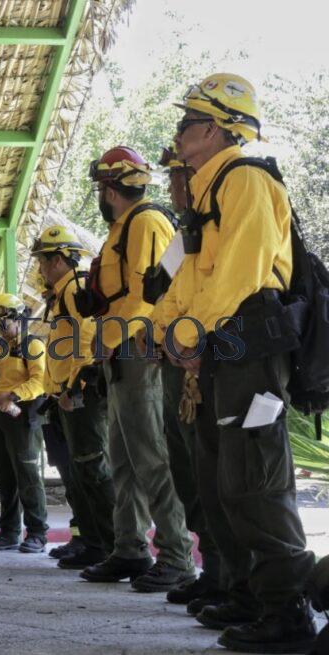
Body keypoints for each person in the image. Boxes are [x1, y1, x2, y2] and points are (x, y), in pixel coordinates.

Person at [161, 73, 315, 653]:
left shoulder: (245, 178)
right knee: (224, 479)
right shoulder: (208, 192)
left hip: (249, 343)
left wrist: (191, 331)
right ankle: (251, 594)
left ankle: (289, 611)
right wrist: (168, 327)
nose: (179, 132)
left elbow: (242, 273)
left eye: (187, 122)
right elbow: (190, 276)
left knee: (255, 482)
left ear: (214, 129)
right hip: (224, 347)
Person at [78, 146, 195, 594]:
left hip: (138, 350)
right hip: (120, 351)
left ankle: (176, 555)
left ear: (110, 190)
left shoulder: (144, 223)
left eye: (100, 189)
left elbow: (148, 297)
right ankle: (129, 547)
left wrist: (109, 340)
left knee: (151, 457)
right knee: (124, 460)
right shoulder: (123, 229)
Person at [150, 146, 225, 611]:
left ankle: (229, 575)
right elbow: (166, 294)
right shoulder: (185, 235)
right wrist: (163, 335)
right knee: (189, 470)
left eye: (178, 176)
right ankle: (213, 569)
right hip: (178, 360)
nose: (174, 187)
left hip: (208, 359)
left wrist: (188, 339)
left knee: (213, 470)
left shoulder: (221, 221)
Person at [32, 226, 117, 570]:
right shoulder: (62, 294)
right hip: (65, 396)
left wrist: (74, 386)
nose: (39, 269)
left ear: (57, 261)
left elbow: (86, 341)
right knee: (81, 474)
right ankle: (94, 543)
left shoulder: (75, 289)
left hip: (79, 395)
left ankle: (111, 546)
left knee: (93, 470)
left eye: (42, 261)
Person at [0, 293, 50, 554]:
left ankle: (37, 533)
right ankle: (9, 532)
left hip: (22, 415)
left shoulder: (32, 345)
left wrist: (14, 394)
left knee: (28, 475)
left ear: (18, 318)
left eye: (3, 322)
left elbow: (40, 381)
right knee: (4, 476)